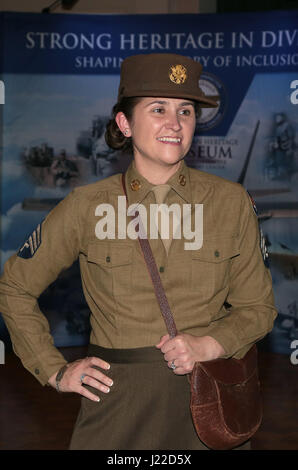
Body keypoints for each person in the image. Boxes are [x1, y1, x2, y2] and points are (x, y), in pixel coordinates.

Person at [0, 53, 277, 450]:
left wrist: (210, 343)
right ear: (124, 123)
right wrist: (55, 371)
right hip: (118, 405)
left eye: (186, 110)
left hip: (210, 401)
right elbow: (14, 287)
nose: (175, 123)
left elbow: (259, 307)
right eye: (159, 109)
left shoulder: (230, 203)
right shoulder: (86, 206)